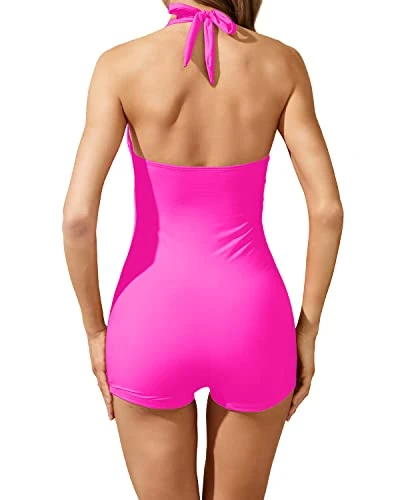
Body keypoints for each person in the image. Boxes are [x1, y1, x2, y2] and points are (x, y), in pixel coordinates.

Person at [62, 0, 344, 498]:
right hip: (253, 318)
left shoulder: (119, 65)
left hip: (150, 317)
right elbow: (327, 211)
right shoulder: (282, 64)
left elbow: (78, 220)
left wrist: (94, 330)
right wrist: (308, 328)